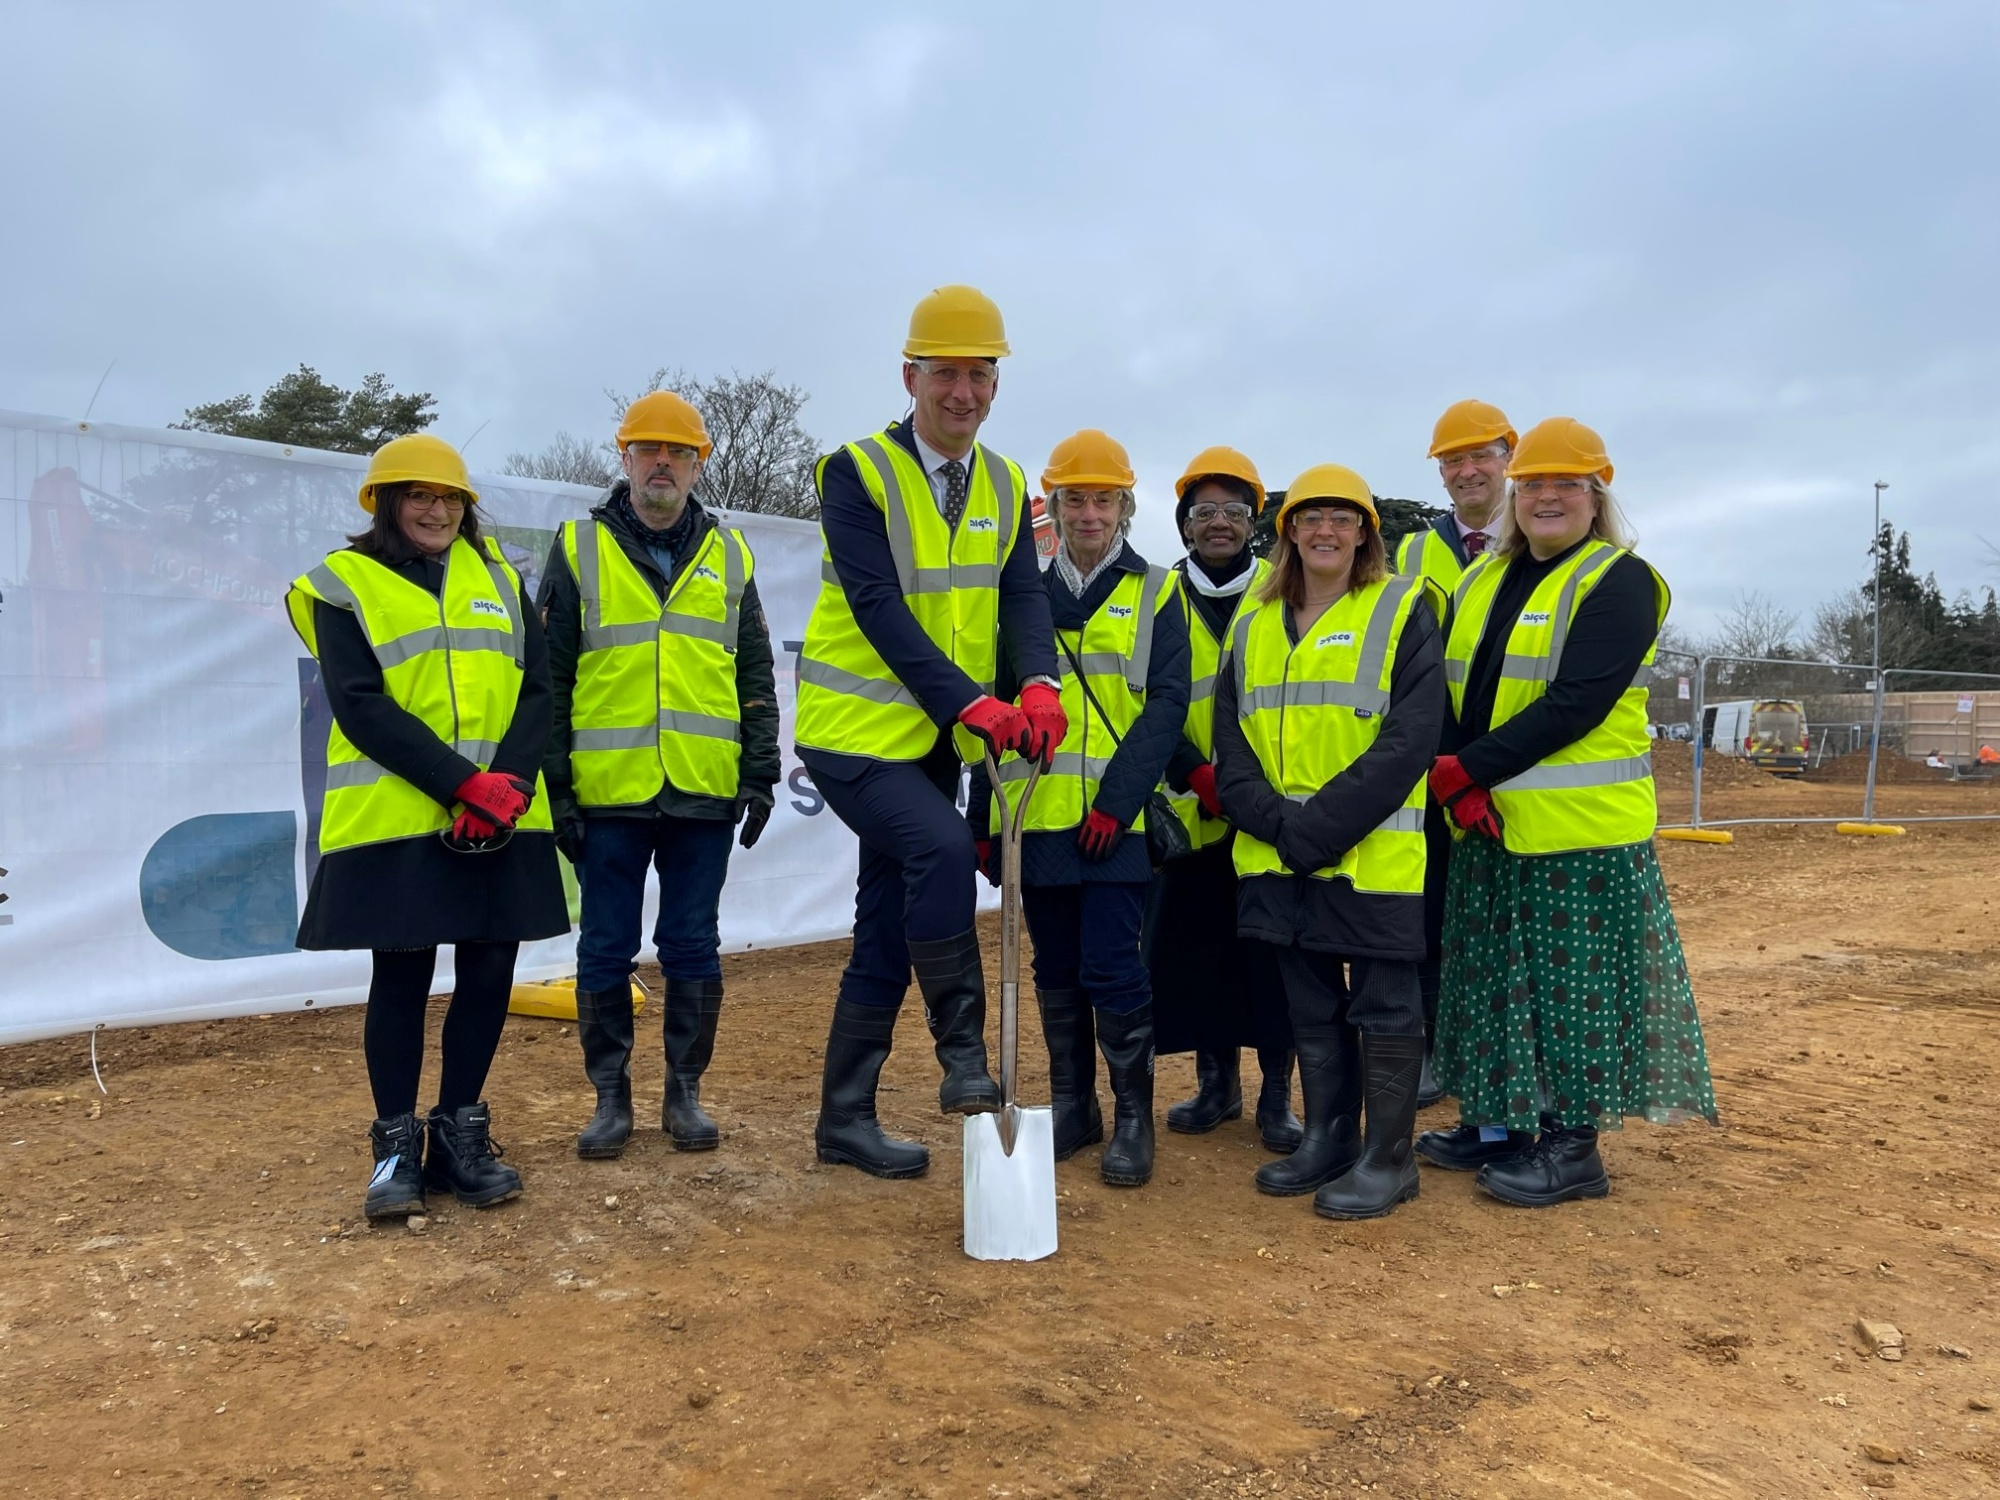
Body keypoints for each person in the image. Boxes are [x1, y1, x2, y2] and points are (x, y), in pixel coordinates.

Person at [793, 285, 1064, 1180]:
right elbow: (877, 605)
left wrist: (1037, 683)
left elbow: (1022, 595)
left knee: (884, 926)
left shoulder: (1007, 483)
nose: (963, 393)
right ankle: (964, 1056)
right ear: (910, 377)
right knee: (944, 849)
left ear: (996, 384)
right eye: (945, 374)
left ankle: (844, 1118)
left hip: (931, 743)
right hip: (851, 734)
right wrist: (968, 703)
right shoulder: (855, 472)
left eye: (979, 375)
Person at [1423, 417, 1719, 1205]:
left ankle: (1573, 1147)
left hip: (1578, 835)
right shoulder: (1481, 579)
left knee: (1570, 993)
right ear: (1515, 494)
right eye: (1535, 484)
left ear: (1596, 496)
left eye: (1567, 484)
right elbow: (1452, 689)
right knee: (1491, 982)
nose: (1547, 497)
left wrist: (1466, 771)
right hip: (1489, 823)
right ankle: (1501, 1124)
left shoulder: (1621, 581)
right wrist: (1458, 779)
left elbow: (1576, 703)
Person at [288, 434, 568, 1220]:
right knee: (403, 980)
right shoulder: (342, 585)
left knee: (489, 970)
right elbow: (360, 705)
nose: (437, 511)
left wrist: (504, 786)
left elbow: (538, 692)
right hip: (401, 816)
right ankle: (394, 1153)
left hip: (503, 814)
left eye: (450, 499)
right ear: (385, 503)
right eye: (419, 496)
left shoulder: (501, 579)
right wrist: (462, 785)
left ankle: (458, 1136)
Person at [539, 392, 780, 1159]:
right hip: (607, 791)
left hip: (702, 789)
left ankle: (684, 1095)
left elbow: (753, 671)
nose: (663, 463)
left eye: (679, 452)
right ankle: (611, 1100)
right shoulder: (578, 548)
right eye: (649, 450)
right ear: (626, 458)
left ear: (699, 464)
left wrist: (761, 771)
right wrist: (556, 788)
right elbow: (550, 677)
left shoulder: (731, 556)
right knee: (605, 946)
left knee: (692, 945)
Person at [1212, 466, 1444, 1219]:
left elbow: (1411, 738)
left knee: (1385, 1005)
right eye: (1310, 518)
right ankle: (1331, 1137)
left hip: (1370, 854)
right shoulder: (1253, 622)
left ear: (1365, 533)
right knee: (1310, 1005)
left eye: (1344, 518)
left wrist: (1316, 829)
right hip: (1278, 854)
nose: (1326, 531)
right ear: (1287, 533)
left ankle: (1390, 1159)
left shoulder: (1401, 607)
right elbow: (1229, 740)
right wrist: (1278, 824)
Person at [968, 431, 1188, 1187]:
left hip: (1115, 827)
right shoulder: (1021, 594)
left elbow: (1167, 706)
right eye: (1075, 500)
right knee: (1055, 967)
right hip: (1034, 821)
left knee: (1114, 968)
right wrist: (982, 822)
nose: (1090, 514)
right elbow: (990, 714)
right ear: (1054, 508)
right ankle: (1075, 1105)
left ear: (1125, 506)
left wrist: (1118, 804)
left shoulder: (1157, 590)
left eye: (1104, 500)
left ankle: (1132, 1119)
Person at [1147, 447, 1301, 1154]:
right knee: (1202, 954)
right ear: (1184, 523)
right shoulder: (1159, 596)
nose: (1218, 523)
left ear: (1253, 522)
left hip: (1267, 813)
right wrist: (1192, 772)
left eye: (1233, 511)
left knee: (1272, 958)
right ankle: (1218, 1086)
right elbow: (1142, 700)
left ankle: (1277, 1097)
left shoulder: (1283, 592)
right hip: (1191, 813)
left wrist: (1245, 786)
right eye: (1203, 511)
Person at [1398, 399, 1518, 1110]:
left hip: (1515, 762)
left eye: (1481, 455)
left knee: (1502, 921)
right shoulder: (1414, 552)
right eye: (1453, 460)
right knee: (1428, 911)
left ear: (1509, 458)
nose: (1467, 470)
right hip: (1429, 764)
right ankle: (1433, 1047)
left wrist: (1483, 766)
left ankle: (1496, 1053)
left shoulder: (1540, 536)